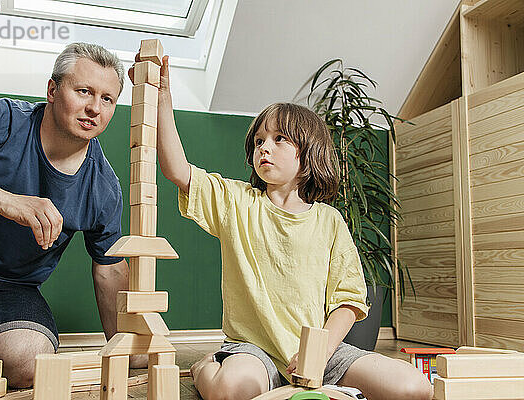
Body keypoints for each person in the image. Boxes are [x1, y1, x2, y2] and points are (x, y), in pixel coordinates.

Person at [129, 53, 433, 400]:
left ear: (308, 153)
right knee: (232, 390)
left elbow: (349, 301)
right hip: (253, 352)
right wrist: (163, 98)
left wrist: (318, 354)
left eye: (278, 140)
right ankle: (206, 367)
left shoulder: (329, 221)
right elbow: (177, 170)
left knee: (414, 388)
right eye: (259, 140)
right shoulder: (236, 201)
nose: (264, 148)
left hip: (320, 356)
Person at [0, 43, 143, 388]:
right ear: (53, 90)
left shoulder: (104, 187)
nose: (93, 108)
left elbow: (110, 268)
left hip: (9, 290)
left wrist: (129, 345)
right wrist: (3, 200)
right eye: (84, 91)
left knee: (29, 362)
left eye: (107, 99)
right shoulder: (4, 118)